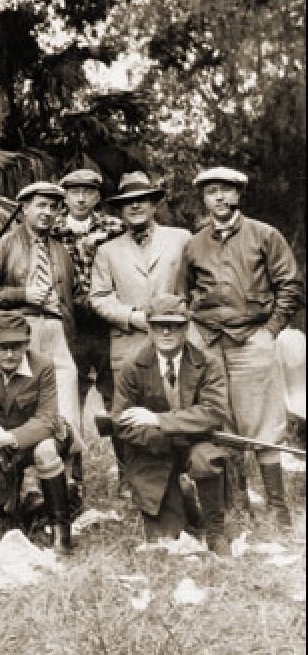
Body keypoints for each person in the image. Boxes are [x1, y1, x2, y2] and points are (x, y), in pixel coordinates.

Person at [182, 167, 305, 525]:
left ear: (238, 195)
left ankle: (278, 510)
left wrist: (270, 329)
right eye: (210, 192)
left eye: (225, 191)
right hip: (210, 343)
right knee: (224, 425)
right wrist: (196, 332)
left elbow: (290, 286)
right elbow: (185, 292)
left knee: (266, 425)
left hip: (253, 339)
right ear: (203, 199)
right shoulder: (194, 243)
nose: (218, 198)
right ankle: (240, 506)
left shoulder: (264, 235)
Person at [89, 171, 191, 494]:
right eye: (127, 202)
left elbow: (196, 286)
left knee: (175, 403)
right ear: (120, 209)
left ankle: (179, 475)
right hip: (128, 341)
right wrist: (133, 317)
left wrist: (177, 315)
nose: (135, 206)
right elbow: (99, 297)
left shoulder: (180, 239)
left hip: (174, 339)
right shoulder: (107, 251)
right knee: (126, 411)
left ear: (153, 204)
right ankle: (128, 479)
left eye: (141, 200)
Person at [107, 294, 231, 554]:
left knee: (206, 460)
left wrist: (159, 420)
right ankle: (186, 502)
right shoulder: (132, 367)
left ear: (186, 328)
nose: (166, 331)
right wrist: (162, 436)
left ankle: (215, 530)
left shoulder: (208, 364)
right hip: (154, 451)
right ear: (149, 328)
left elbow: (214, 412)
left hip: (196, 445)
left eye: (174, 325)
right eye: (159, 324)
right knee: (167, 541)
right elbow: (121, 421)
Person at [0, 310, 75, 554]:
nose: (10, 354)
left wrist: (11, 438)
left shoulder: (43, 366)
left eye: (17, 346)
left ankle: (61, 531)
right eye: (2, 347)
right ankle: (31, 502)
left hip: (35, 439)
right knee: (5, 525)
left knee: (46, 451)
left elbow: (48, 420)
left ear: (27, 343)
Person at [0, 182, 81, 482]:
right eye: (41, 205)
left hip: (58, 331)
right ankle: (28, 482)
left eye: (54, 207)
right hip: (22, 331)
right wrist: (21, 294)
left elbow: (72, 296)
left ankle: (63, 478)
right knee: (28, 405)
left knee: (65, 404)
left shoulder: (60, 250)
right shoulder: (5, 244)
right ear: (23, 208)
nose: (48, 212)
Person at [50, 168, 125, 415]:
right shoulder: (51, 229)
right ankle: (72, 450)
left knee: (115, 391)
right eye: (74, 192)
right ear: (65, 197)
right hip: (69, 323)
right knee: (69, 392)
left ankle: (124, 449)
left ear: (97, 197)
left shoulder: (116, 228)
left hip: (107, 323)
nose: (81, 199)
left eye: (88, 192)